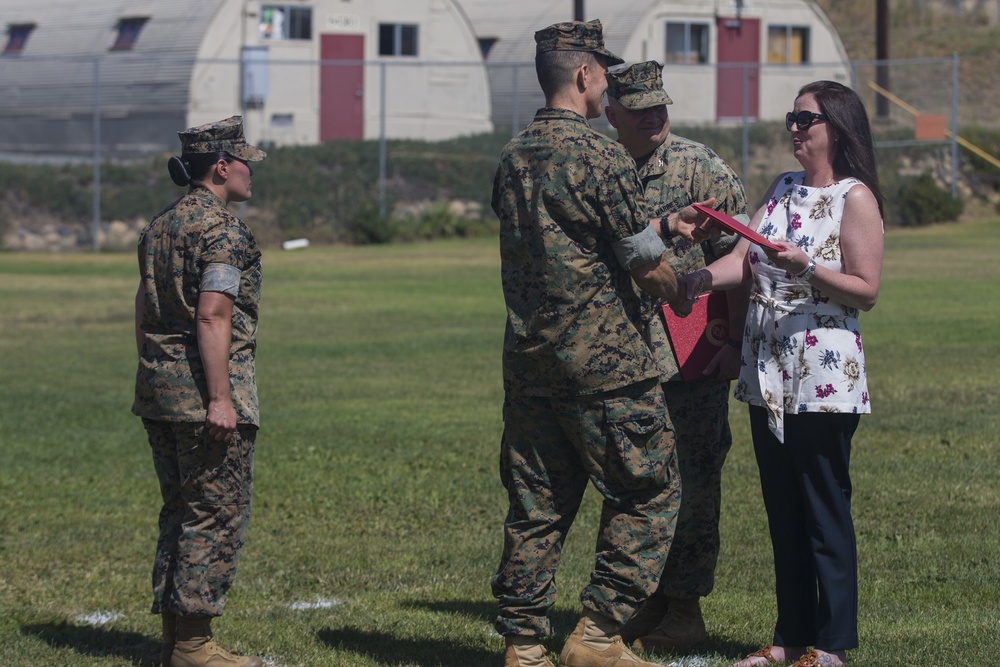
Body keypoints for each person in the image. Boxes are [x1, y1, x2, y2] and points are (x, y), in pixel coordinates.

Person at [490, 19, 716, 667]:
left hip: (532, 363)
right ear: (585, 75)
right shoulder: (603, 157)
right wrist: (679, 289)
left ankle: (524, 644)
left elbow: (576, 238)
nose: (607, 83)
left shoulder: (514, 157)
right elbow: (644, 262)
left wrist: (663, 222)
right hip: (606, 365)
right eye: (603, 71)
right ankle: (598, 632)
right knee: (649, 489)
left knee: (537, 506)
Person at [681, 81, 884, 667]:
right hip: (766, 373)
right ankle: (791, 639)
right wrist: (696, 283)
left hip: (822, 376)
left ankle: (834, 646)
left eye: (806, 118)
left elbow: (866, 291)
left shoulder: (854, 198)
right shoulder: (783, 189)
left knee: (824, 512)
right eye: (790, 118)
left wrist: (808, 266)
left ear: (837, 128)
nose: (795, 128)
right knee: (783, 511)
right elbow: (744, 261)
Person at [604, 60, 751, 654]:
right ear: (612, 113)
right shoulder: (601, 168)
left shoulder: (699, 168)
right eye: (640, 110)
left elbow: (741, 259)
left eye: (660, 105)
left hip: (689, 358)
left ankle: (685, 608)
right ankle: (645, 601)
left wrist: (735, 343)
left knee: (693, 480)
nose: (655, 117)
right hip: (617, 358)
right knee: (633, 483)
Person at [133, 116, 267, 667]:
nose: (249, 172)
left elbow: (142, 306)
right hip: (202, 394)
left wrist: (151, 367)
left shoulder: (161, 226)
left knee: (179, 509)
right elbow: (213, 316)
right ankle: (192, 646)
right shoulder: (222, 231)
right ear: (221, 166)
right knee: (213, 513)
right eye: (244, 163)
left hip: (159, 391)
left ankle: (173, 639)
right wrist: (219, 397)